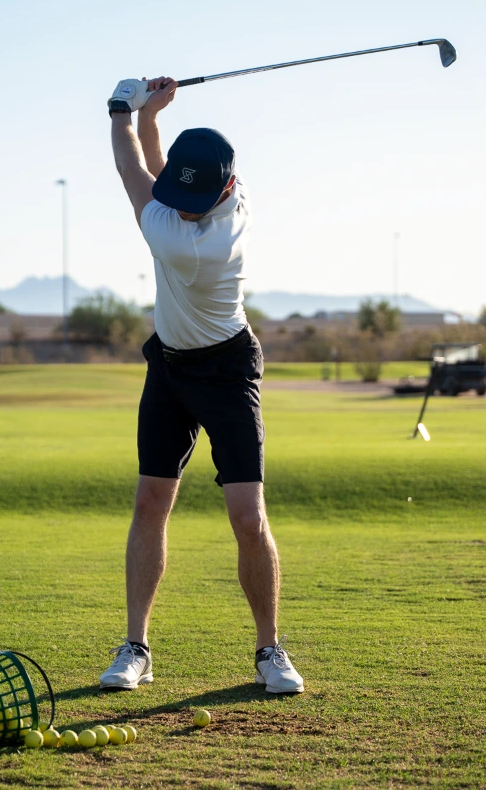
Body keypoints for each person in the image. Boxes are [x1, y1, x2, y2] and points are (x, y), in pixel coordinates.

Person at [98, 77, 304, 694]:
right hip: (169, 368)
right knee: (150, 501)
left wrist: (122, 110)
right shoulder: (214, 198)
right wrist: (157, 115)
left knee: (247, 513)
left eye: (195, 200)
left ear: (226, 192)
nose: (184, 207)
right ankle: (136, 646)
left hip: (228, 369)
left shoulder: (198, 241)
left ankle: (270, 649)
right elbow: (167, 176)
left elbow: (133, 166)